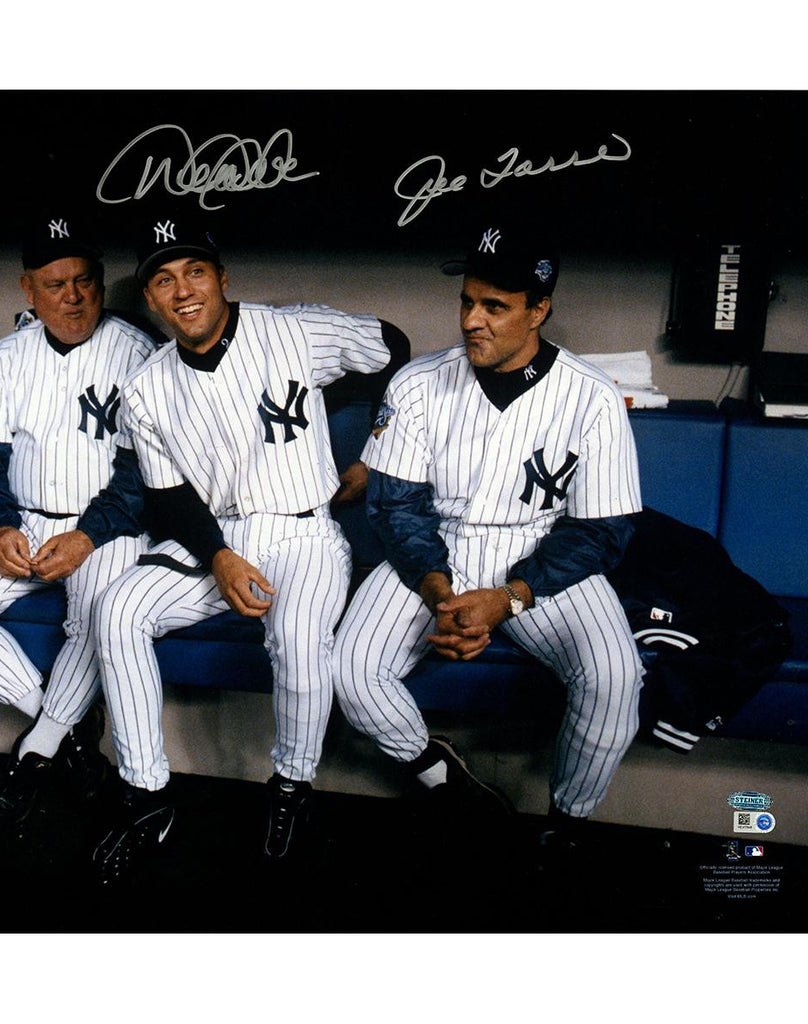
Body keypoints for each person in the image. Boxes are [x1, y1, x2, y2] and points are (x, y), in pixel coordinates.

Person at [90, 215, 409, 883]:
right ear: (149, 299)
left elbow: (395, 347)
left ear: (223, 279)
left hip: (304, 531)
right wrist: (220, 557)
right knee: (117, 611)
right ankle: (147, 794)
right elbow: (169, 497)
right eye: (164, 279)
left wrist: (377, 454)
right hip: (213, 535)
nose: (182, 291)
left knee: (298, 639)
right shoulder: (146, 387)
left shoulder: (294, 331)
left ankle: (292, 786)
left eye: (195, 271)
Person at [331, 219, 645, 850]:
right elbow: (395, 508)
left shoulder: (592, 397)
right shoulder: (418, 383)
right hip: (431, 551)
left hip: (541, 554)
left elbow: (601, 531)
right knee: (353, 671)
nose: (473, 319)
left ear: (538, 310)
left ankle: (567, 824)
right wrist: (437, 590)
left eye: (495, 306)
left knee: (614, 679)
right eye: (468, 302)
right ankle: (441, 777)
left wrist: (509, 597)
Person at [0, 211, 159, 830]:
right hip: (23, 518)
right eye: (56, 285)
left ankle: (35, 753)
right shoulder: (6, 357)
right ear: (28, 290)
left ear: (101, 283)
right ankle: (70, 734)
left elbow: (143, 476)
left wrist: (87, 535)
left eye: (84, 281)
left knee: (99, 620)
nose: (73, 296)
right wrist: (0, 527)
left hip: (104, 527)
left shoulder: (138, 353)